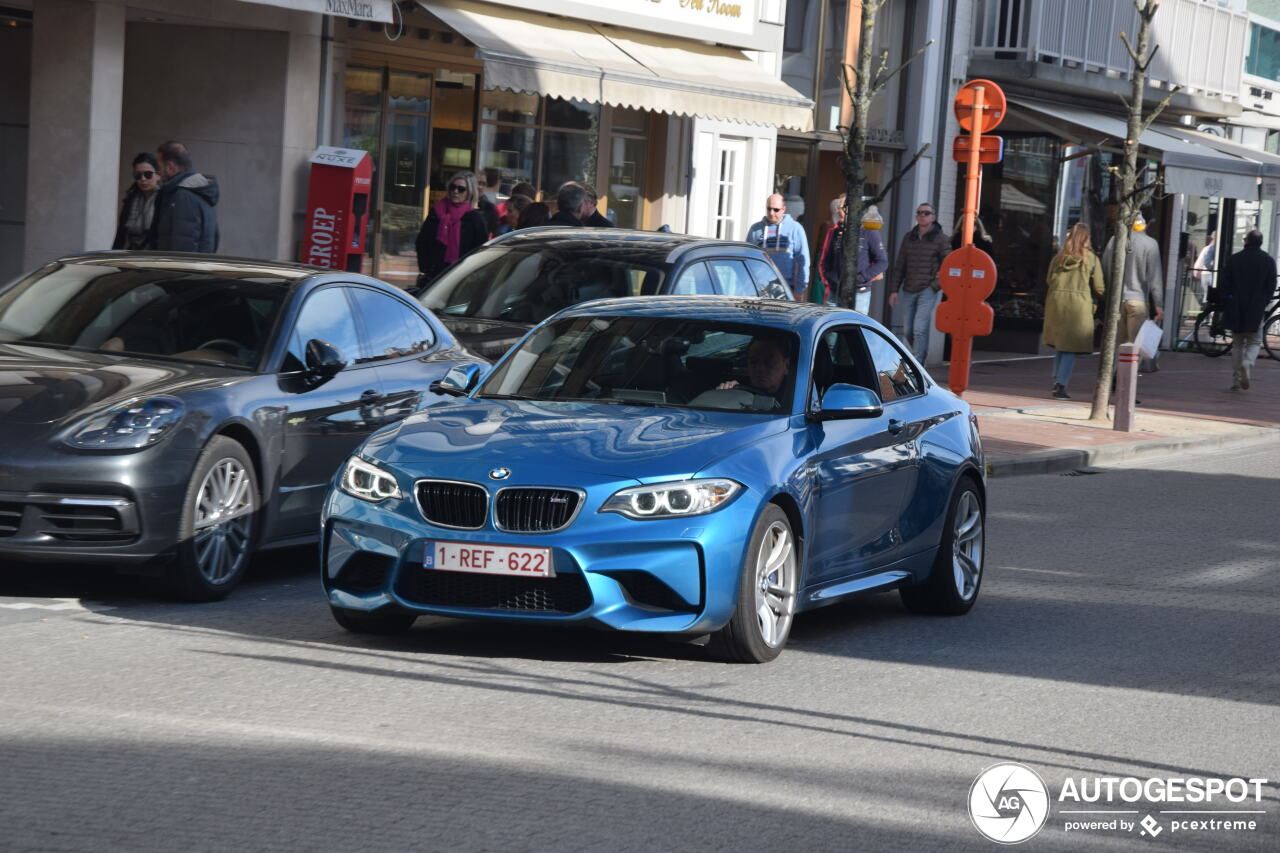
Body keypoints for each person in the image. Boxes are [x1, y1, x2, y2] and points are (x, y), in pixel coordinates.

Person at [1042, 223, 1105, 399]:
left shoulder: (1059, 258)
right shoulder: (1091, 259)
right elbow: (1099, 287)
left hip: (1057, 305)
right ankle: (1061, 384)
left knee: (1061, 346)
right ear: (1087, 239)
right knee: (1070, 348)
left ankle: (1056, 379)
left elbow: (1048, 279)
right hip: (1079, 307)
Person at [888, 202, 949, 363]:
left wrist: (935, 286)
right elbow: (900, 264)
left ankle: (918, 364)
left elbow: (949, 265)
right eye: (920, 213)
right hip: (909, 289)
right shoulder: (909, 237)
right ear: (916, 216)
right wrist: (894, 290)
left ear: (933, 217)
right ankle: (919, 355)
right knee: (908, 330)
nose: (923, 215)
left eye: (926, 213)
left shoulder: (941, 239)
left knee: (919, 329)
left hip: (927, 290)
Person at [1220, 229, 1277, 391]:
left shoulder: (1234, 259)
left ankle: (1236, 380)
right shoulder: (1268, 261)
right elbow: (1271, 286)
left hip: (1236, 305)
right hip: (1256, 306)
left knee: (1237, 343)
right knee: (1254, 341)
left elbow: (1225, 283)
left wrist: (1228, 298)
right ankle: (1248, 362)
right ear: (1260, 242)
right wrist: (1264, 301)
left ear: (1246, 241)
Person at [1101, 212, 1165, 353]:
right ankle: (1129, 374)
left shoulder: (1114, 241)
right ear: (1144, 225)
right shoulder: (1151, 244)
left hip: (1116, 300)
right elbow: (1155, 277)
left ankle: (1114, 373)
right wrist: (1158, 305)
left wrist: (1107, 294)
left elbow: (1105, 268)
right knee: (1135, 345)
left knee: (1116, 343)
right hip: (1138, 300)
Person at [415, 170, 489, 281]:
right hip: (435, 275)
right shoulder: (436, 212)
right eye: (452, 187)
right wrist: (426, 267)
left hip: (461, 277)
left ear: (469, 192)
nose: (455, 191)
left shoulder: (475, 219)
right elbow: (422, 241)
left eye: (461, 189)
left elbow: (480, 251)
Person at [819, 195, 887, 312]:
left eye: (840, 207)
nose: (837, 211)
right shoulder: (836, 232)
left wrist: (860, 278)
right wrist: (830, 278)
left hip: (859, 294)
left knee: (853, 328)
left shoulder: (868, 231)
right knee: (830, 328)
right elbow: (827, 259)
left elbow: (882, 261)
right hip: (835, 292)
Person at [150, 141, 219, 253]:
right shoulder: (200, 191)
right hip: (200, 267)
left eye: (159, 168)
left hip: (179, 269)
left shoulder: (183, 196)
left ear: (170, 167)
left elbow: (182, 247)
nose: (158, 174)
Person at [745, 193, 810, 299]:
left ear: (783, 209)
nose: (771, 213)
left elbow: (803, 260)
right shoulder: (756, 229)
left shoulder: (795, 229)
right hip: (759, 288)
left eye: (776, 210)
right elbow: (747, 257)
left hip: (786, 288)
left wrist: (799, 290)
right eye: (769, 209)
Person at [714, 337, 792, 409]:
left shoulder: (797, 398)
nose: (760, 368)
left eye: (769, 362)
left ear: (787, 366)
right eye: (753, 362)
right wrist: (724, 394)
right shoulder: (738, 389)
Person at [112, 153, 161, 250]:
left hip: (154, 256)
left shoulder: (165, 198)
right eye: (138, 175)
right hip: (130, 254)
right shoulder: (130, 198)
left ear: (158, 175)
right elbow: (121, 232)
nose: (143, 179)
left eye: (148, 174)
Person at [1193, 232, 1216, 304]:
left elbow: (1198, 264)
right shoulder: (1213, 249)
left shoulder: (1206, 249)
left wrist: (1196, 274)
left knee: (1207, 296)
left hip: (1204, 275)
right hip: (1210, 274)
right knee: (1212, 297)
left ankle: (1206, 309)